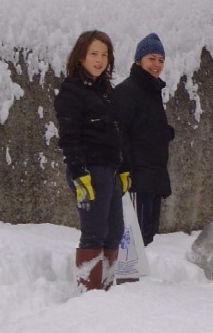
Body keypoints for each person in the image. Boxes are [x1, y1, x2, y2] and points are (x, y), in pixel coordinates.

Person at [54, 30, 125, 291]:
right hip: (88, 171)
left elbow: (116, 134)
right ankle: (90, 296)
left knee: (114, 231)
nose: (99, 60)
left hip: (109, 171)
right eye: (94, 54)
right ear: (81, 56)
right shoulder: (71, 92)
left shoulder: (104, 92)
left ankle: (106, 291)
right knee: (94, 233)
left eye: (104, 54)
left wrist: (123, 168)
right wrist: (79, 171)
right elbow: (69, 137)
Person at [111, 33, 174, 247]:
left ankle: (136, 278)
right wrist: (125, 171)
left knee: (147, 235)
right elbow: (120, 135)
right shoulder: (127, 91)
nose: (156, 65)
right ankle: (127, 278)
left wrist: (165, 133)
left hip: (152, 176)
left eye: (161, 60)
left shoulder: (152, 91)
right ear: (139, 61)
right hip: (137, 178)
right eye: (151, 58)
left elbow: (145, 127)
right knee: (133, 237)